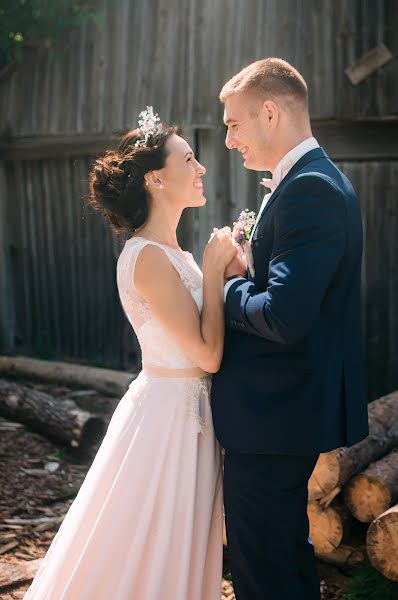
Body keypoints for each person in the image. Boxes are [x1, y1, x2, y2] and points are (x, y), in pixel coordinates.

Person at [24, 112, 237, 599]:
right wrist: (212, 273)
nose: (201, 168)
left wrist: (221, 276)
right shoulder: (146, 257)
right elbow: (206, 354)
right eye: (189, 159)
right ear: (156, 178)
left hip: (194, 418)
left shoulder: (177, 254)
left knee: (180, 543)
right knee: (149, 542)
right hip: (168, 420)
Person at [211, 58, 369, 600]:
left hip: (276, 417)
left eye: (234, 123)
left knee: (266, 571)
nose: (229, 139)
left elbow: (283, 315)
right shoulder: (303, 184)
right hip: (279, 415)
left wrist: (226, 282)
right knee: (280, 558)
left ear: (271, 112)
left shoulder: (311, 190)